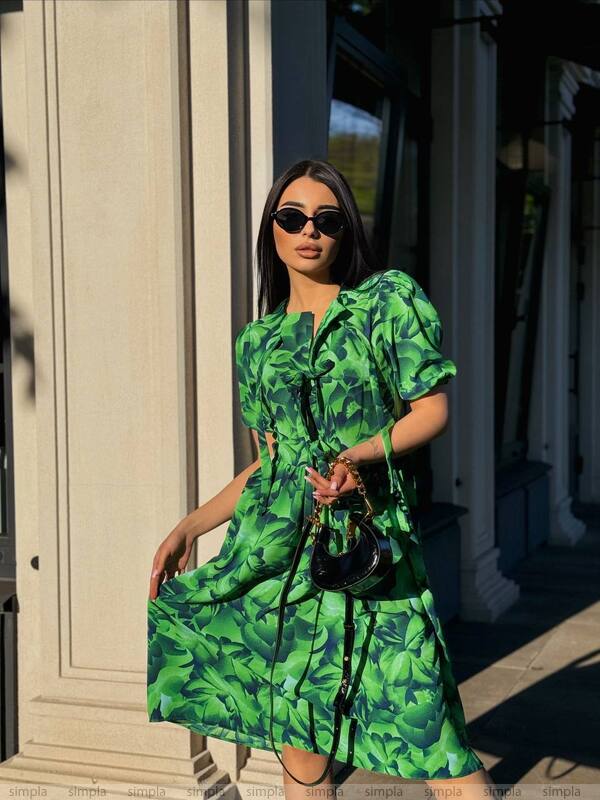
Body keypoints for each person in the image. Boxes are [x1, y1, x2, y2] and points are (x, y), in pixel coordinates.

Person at [147, 159, 495, 797]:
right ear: (272, 230)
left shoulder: (385, 303)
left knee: (432, 736)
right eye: (293, 217)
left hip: (371, 553)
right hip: (280, 560)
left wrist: (355, 457)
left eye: (327, 220)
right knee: (301, 748)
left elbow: (431, 411)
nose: (310, 230)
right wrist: (189, 527)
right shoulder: (257, 343)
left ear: (344, 232)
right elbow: (270, 464)